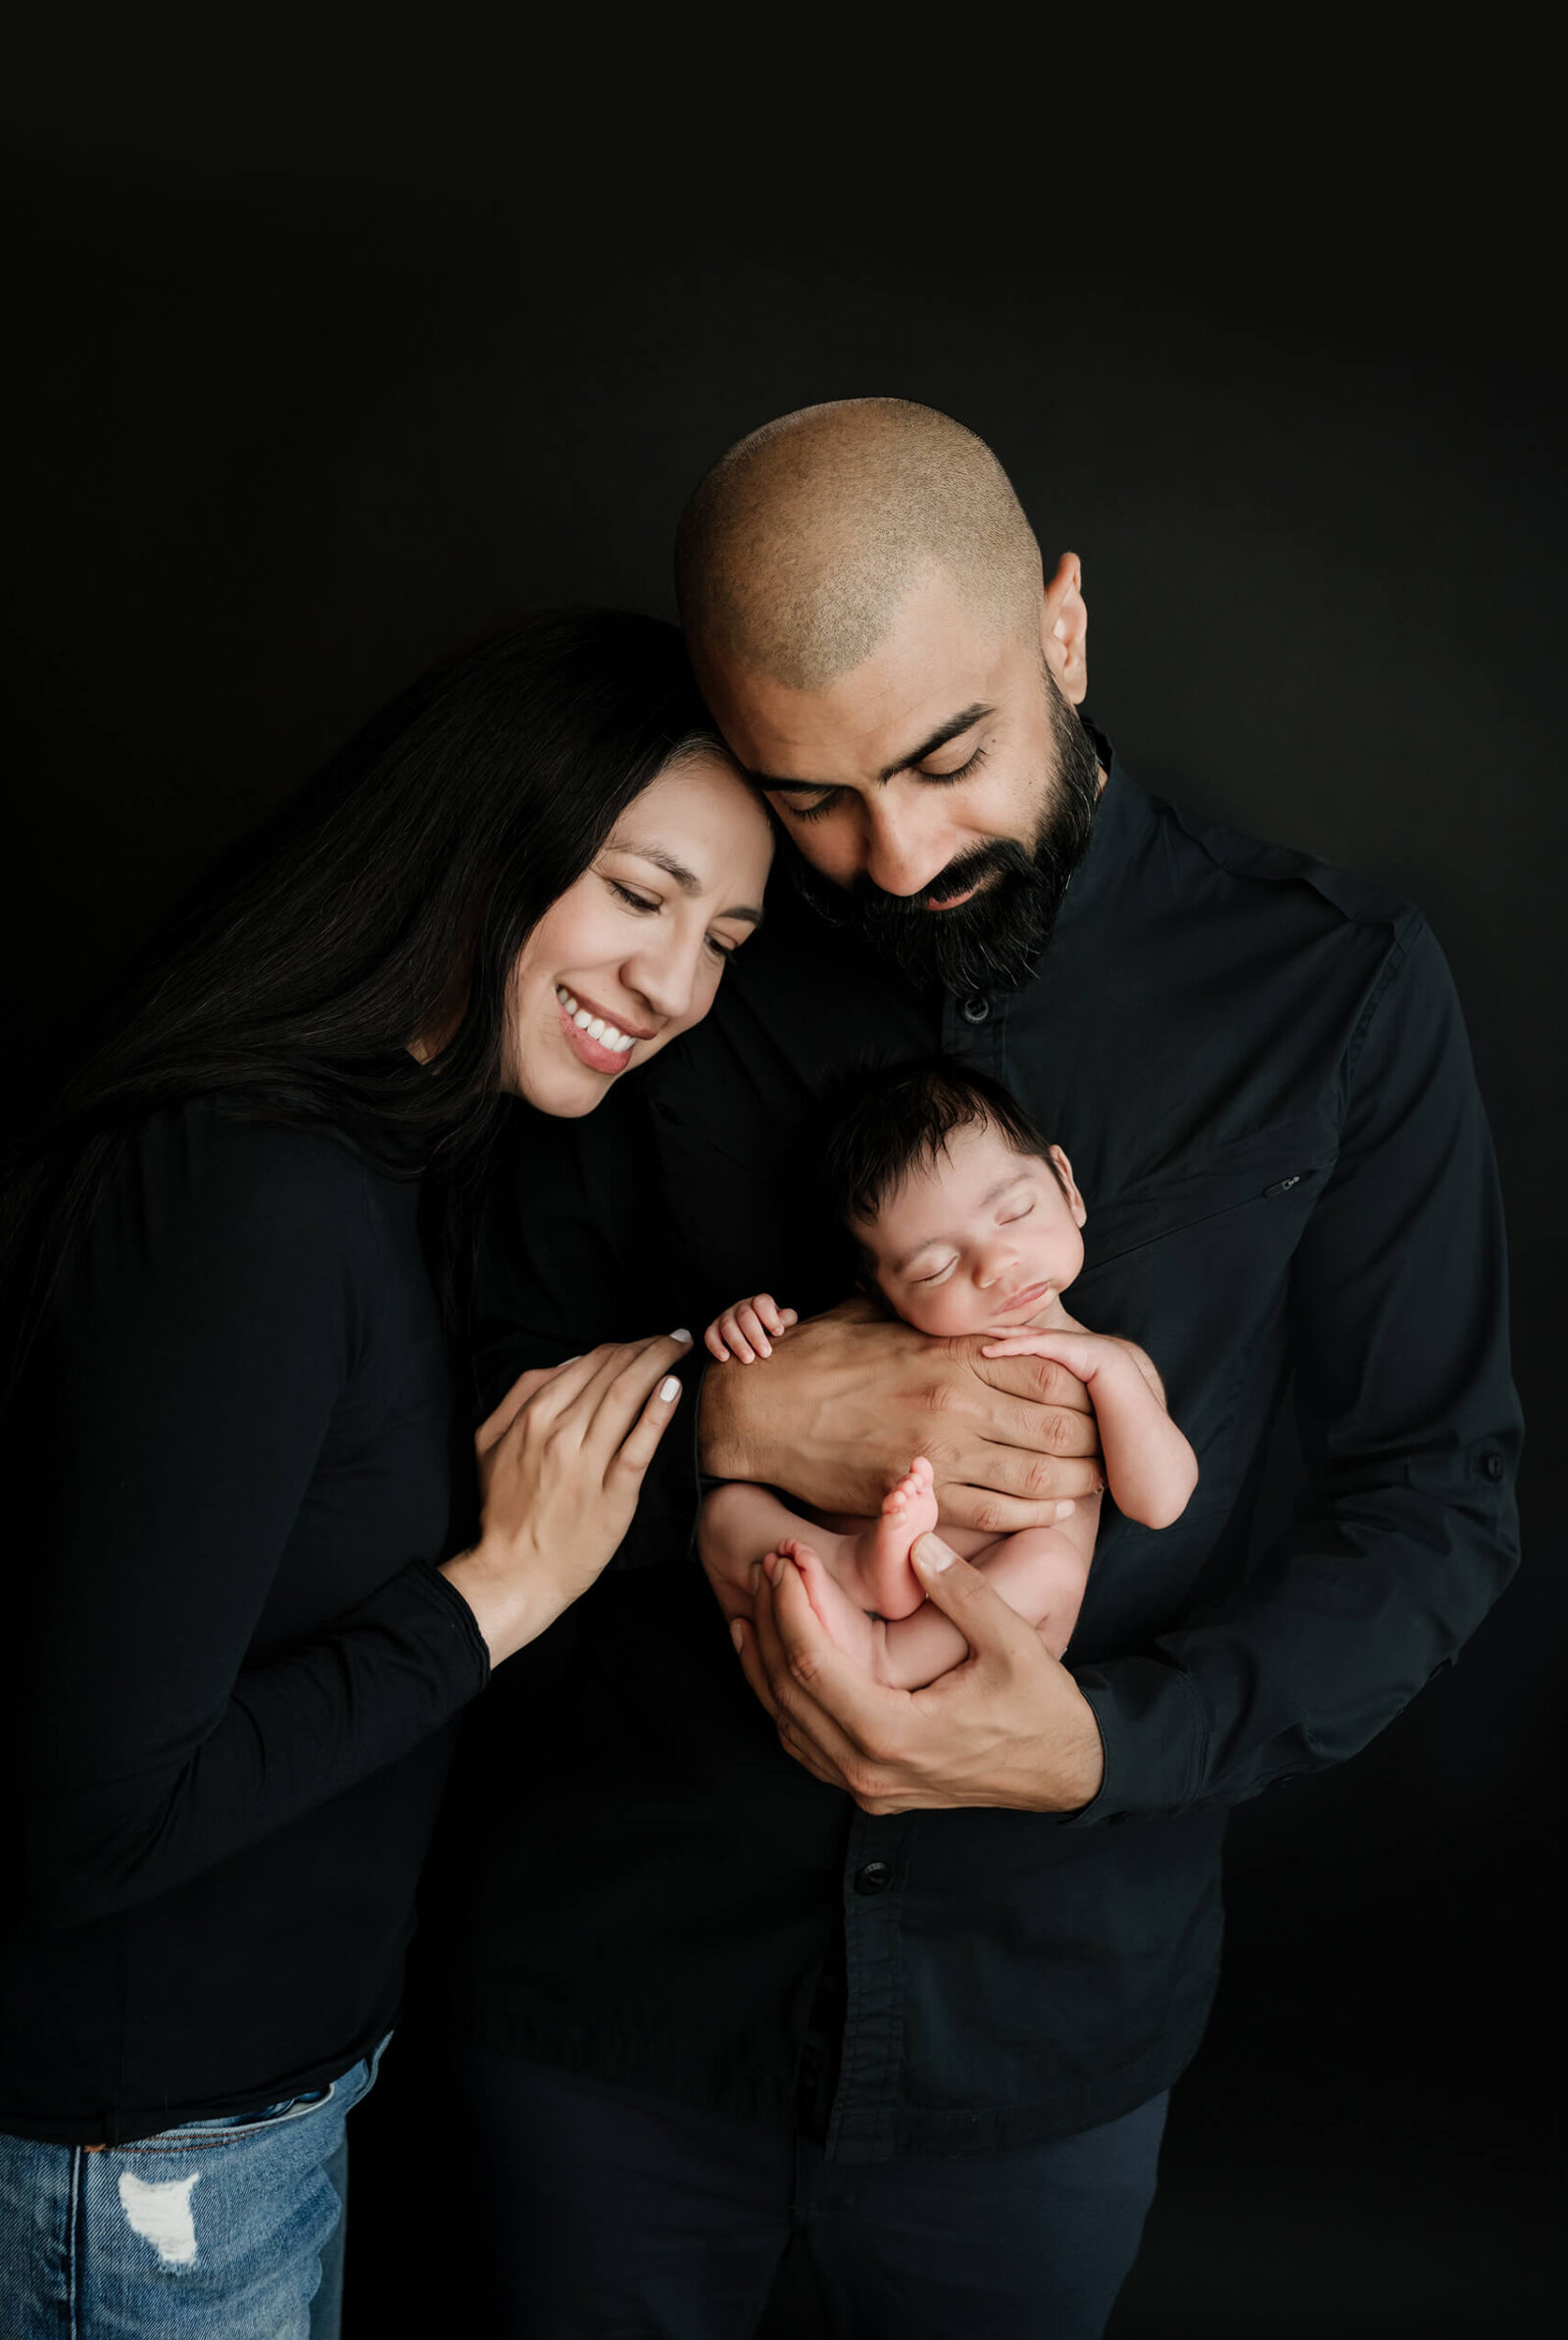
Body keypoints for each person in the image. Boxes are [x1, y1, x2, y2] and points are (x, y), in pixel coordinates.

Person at [447, 403, 1522, 2338]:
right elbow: (459, 1367)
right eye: (809, 797)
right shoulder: (667, 956)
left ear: (1062, 629)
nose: (896, 852)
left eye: (942, 756)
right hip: (608, 2003)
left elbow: (1437, 1504)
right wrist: (735, 1428)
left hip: (1044, 2042)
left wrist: (1119, 1747)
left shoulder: (1330, 993)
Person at [0, 609, 771, 2339]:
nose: (678, 986)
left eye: (726, 934)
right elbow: (87, 1820)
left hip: (242, 2124)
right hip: (139, 2174)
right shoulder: (251, 1201)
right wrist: (496, 1596)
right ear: (482, 840)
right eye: (640, 896)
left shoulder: (411, 1149)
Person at [698, 1057, 1198, 1688]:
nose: (994, 1265)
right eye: (934, 1268)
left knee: (1050, 1561)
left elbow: (1161, 1502)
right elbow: (774, 1371)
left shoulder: (1111, 1365)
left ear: (1067, 1187)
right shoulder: (874, 1335)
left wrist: (1112, 1374)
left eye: (1014, 1212)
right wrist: (748, 1328)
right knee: (724, 1511)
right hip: (831, 1590)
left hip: (990, 1632)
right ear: (878, 1290)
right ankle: (854, 1566)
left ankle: (886, 1655)